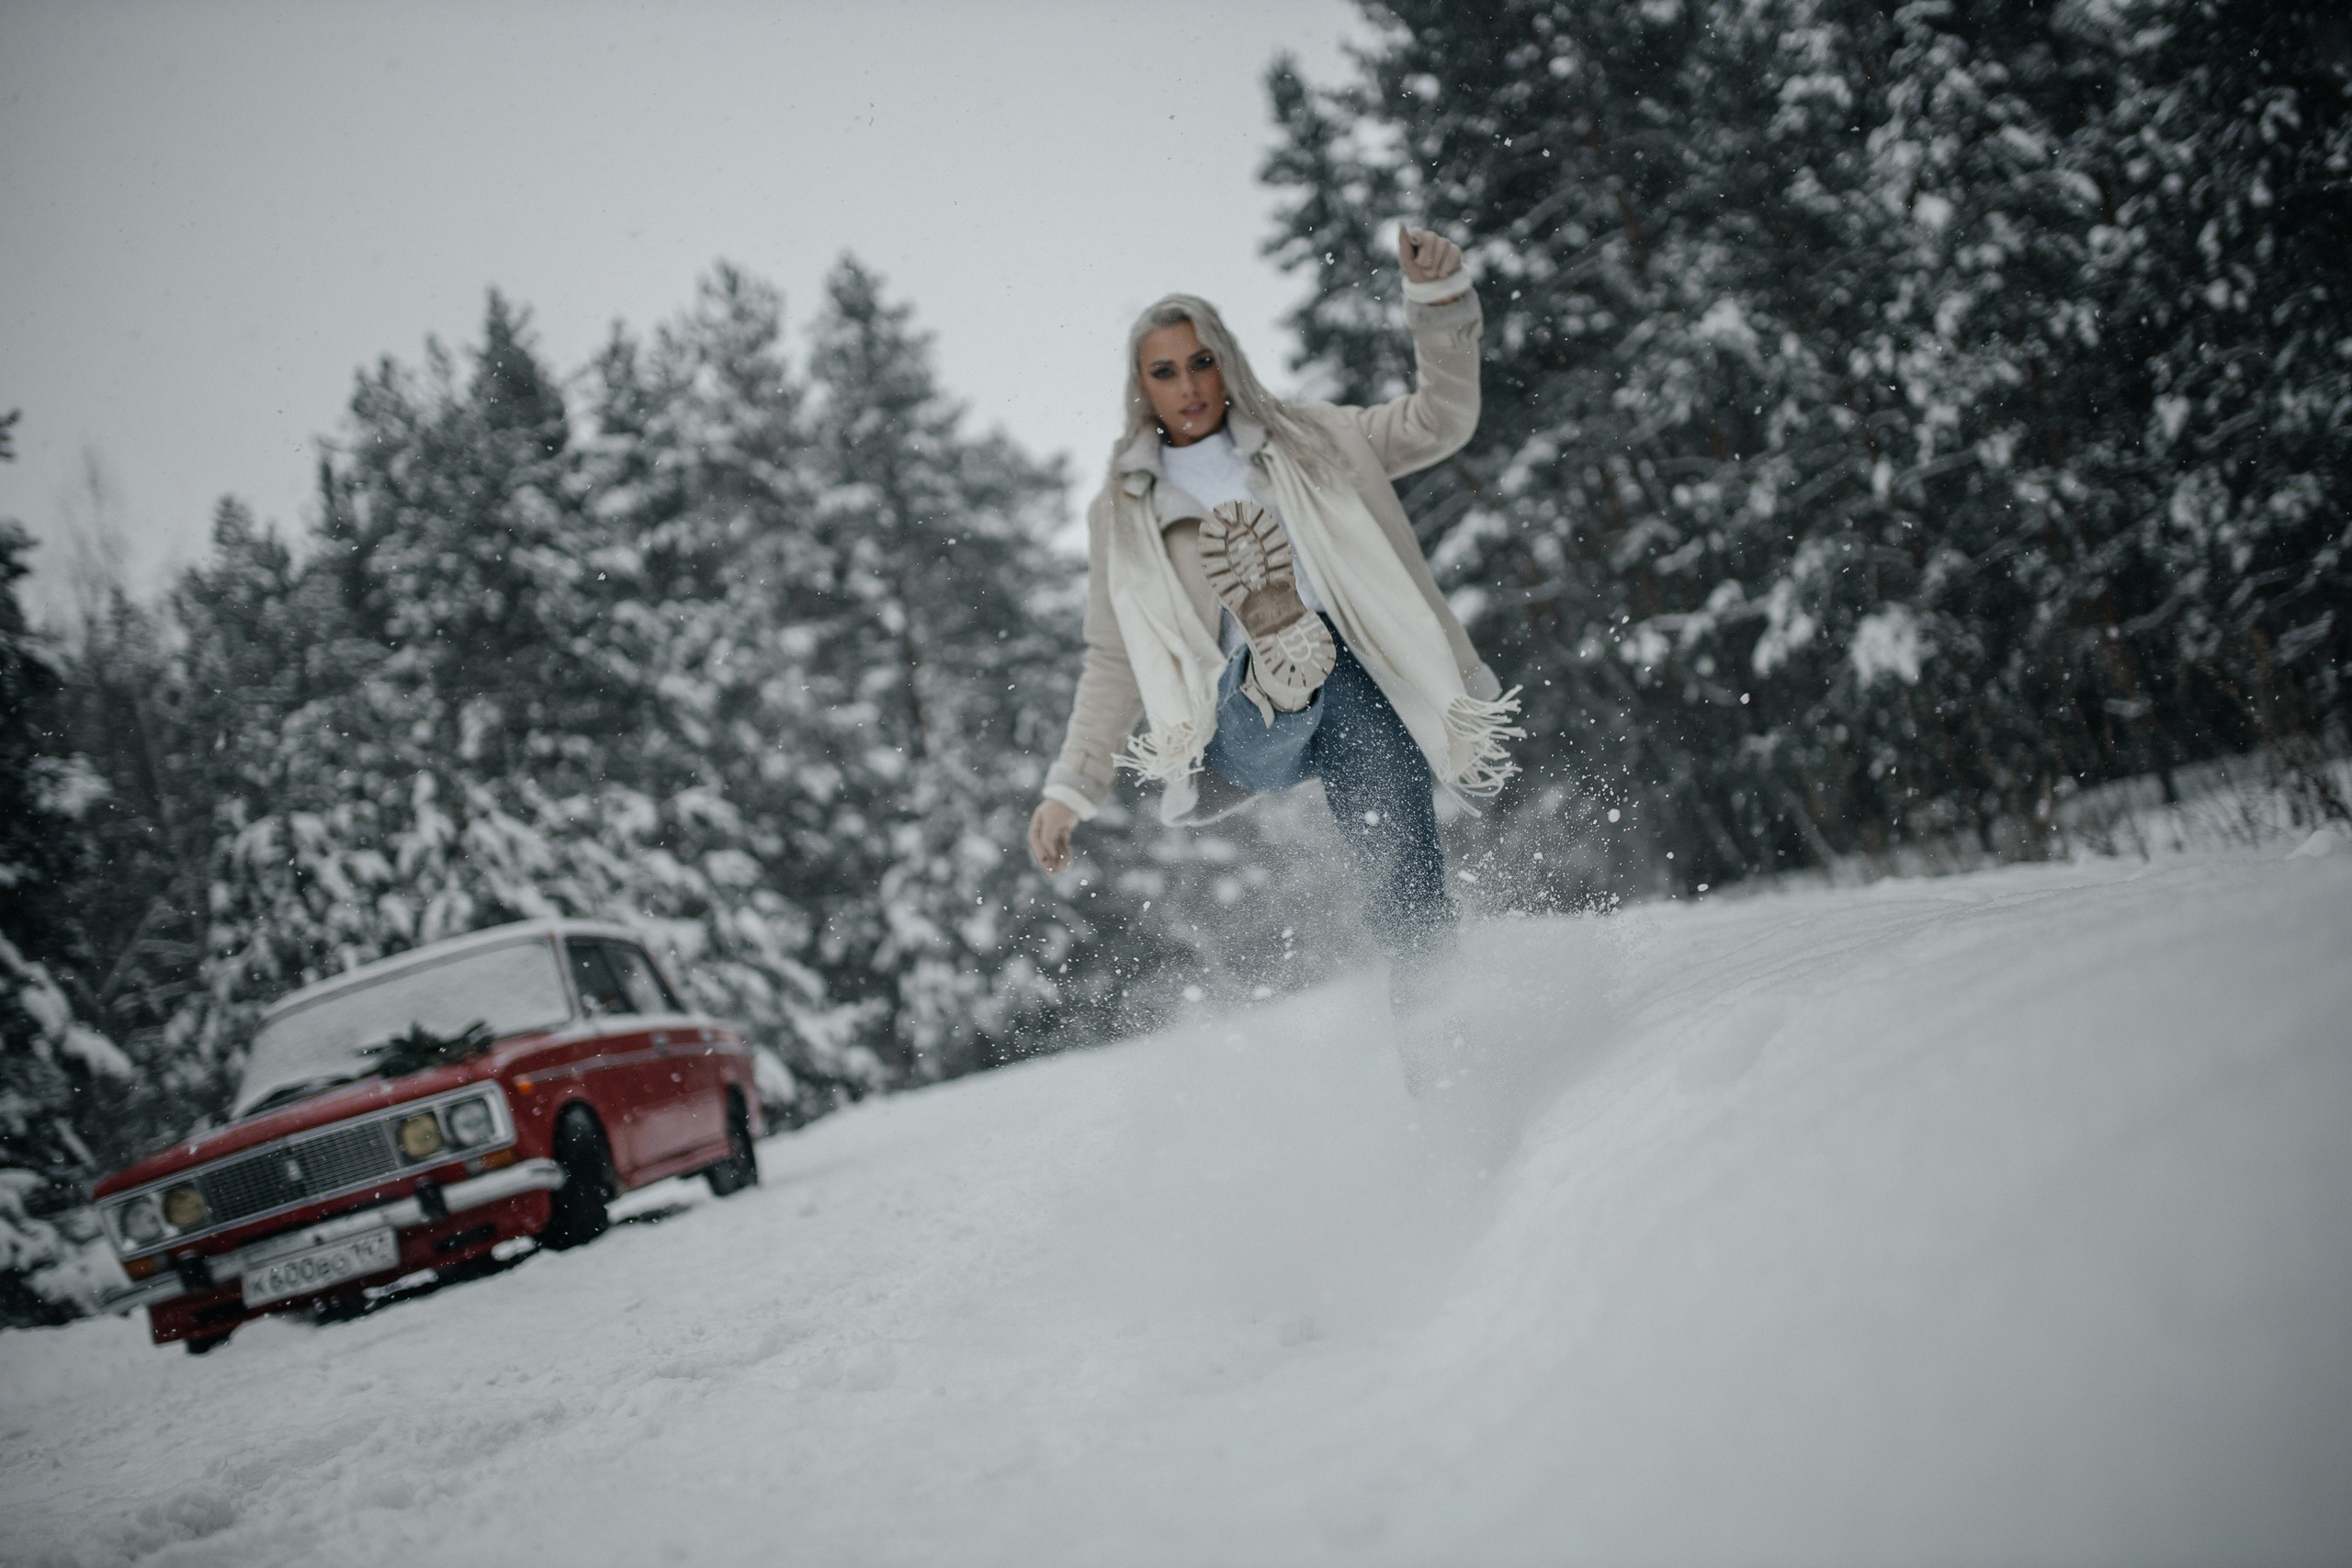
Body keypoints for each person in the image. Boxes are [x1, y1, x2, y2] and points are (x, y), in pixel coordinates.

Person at [1025, 226, 1520, 1018]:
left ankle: (1435, 1007)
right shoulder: (1123, 511)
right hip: (1237, 732)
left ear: (1226, 361)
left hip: (1360, 688)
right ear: (1141, 387)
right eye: (1164, 371)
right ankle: (1275, 663)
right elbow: (1112, 658)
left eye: (1200, 361)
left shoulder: (1315, 437)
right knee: (1276, 681)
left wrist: (1439, 302)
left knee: (1391, 826)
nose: (1187, 384)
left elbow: (1441, 421)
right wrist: (1071, 788)